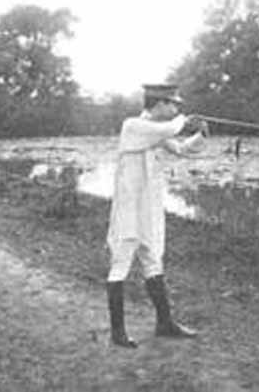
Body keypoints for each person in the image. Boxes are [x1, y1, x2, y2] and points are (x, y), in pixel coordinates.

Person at [106, 84, 208, 348]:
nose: (175, 109)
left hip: (148, 209)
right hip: (128, 210)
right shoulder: (133, 126)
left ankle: (165, 323)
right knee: (120, 265)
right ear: (159, 103)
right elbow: (169, 129)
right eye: (172, 104)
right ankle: (118, 332)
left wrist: (201, 135)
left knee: (153, 261)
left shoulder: (155, 132)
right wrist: (184, 120)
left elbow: (183, 150)